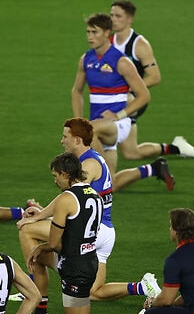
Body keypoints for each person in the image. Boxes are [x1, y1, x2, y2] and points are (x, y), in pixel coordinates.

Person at [13, 119, 161, 314]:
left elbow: (73, 195)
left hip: (92, 231)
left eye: (65, 136)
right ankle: (142, 288)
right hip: (105, 232)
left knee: (27, 231)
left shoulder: (87, 165)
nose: (62, 140)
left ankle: (39, 310)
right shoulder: (93, 159)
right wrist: (43, 213)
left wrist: (38, 216)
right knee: (93, 291)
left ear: (77, 140)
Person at [20, 152, 144, 314]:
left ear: (65, 174)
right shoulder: (95, 195)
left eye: (56, 176)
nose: (55, 181)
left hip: (74, 270)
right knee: (38, 259)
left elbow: (54, 242)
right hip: (85, 260)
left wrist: (40, 247)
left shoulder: (66, 199)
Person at [71, 12, 175, 192]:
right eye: (88, 32)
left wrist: (119, 115)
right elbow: (76, 91)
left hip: (118, 125)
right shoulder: (85, 60)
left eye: (95, 32)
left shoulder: (122, 62)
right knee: (109, 184)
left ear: (107, 33)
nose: (90, 36)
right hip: (98, 125)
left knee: (89, 133)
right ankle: (153, 169)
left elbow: (144, 95)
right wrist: (79, 120)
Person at [110, 0, 194, 170]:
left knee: (105, 136)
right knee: (130, 152)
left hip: (132, 100)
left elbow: (154, 76)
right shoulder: (108, 39)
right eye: (112, 15)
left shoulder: (139, 45)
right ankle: (175, 148)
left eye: (118, 16)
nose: (113, 19)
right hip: (112, 98)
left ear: (130, 19)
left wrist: (129, 90)